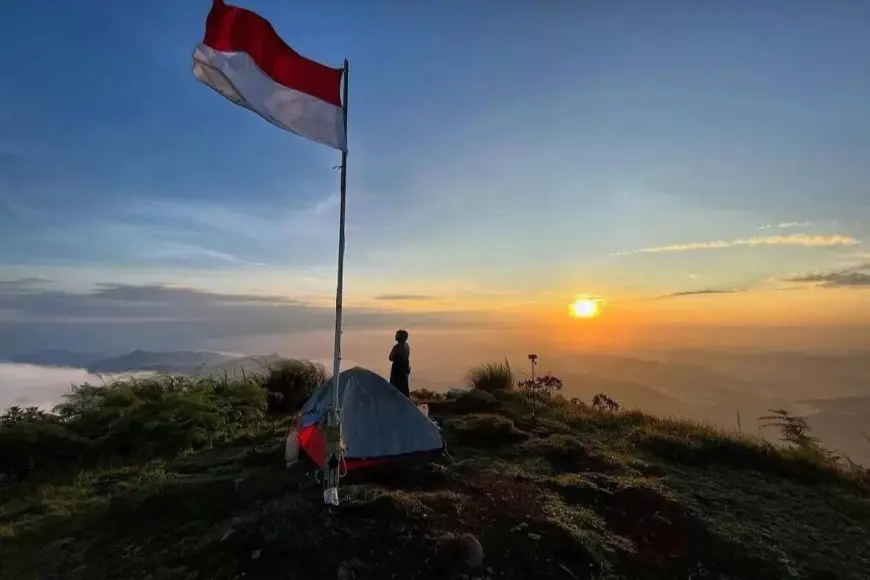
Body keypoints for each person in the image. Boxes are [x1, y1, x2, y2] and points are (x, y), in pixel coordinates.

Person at [389, 329, 411, 397]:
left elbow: (390, 357)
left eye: (397, 335)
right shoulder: (407, 346)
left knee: (395, 388)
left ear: (399, 337)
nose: (395, 336)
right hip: (404, 370)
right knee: (404, 389)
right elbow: (407, 358)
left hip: (397, 370)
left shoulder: (396, 347)